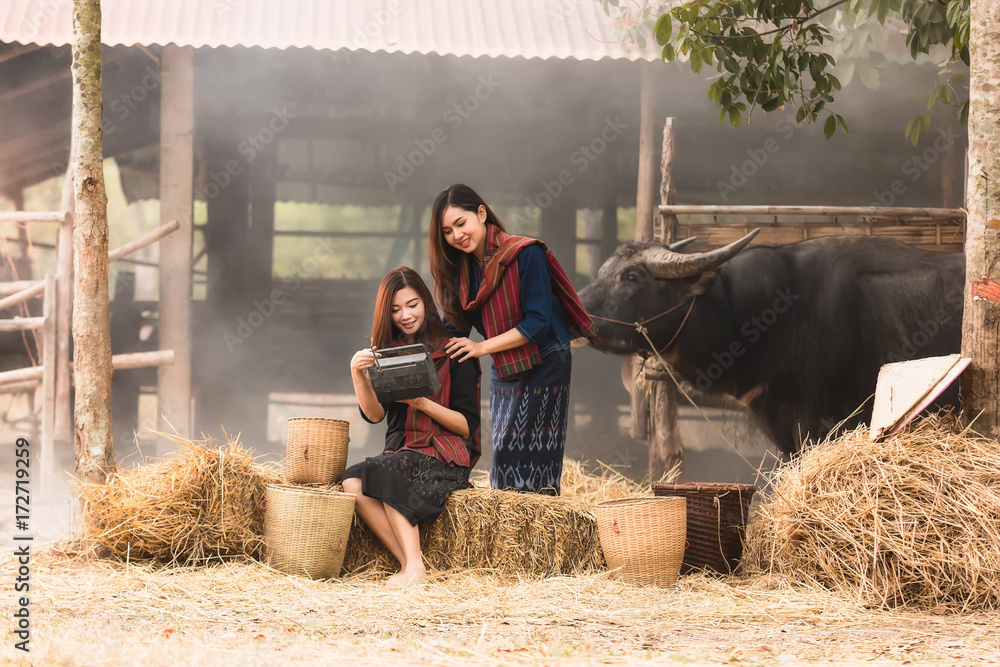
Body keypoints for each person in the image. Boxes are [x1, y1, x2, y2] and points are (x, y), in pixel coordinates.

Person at [428, 184, 600, 496]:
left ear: (481, 214)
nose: (456, 235)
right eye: (447, 231)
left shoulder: (525, 253)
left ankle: (543, 525)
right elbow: (452, 332)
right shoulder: (465, 272)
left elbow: (537, 323)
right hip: (505, 364)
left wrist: (480, 348)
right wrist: (401, 346)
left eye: (460, 223)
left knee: (533, 454)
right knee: (505, 456)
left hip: (546, 358)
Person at [342, 267, 481, 586]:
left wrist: (422, 403)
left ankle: (415, 567)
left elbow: (466, 426)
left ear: (426, 303)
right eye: (395, 309)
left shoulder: (455, 353)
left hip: (445, 457)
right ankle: (408, 564)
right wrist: (357, 374)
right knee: (351, 482)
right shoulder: (388, 354)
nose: (405, 314)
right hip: (402, 453)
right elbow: (375, 415)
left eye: (413, 304)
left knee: (387, 469)